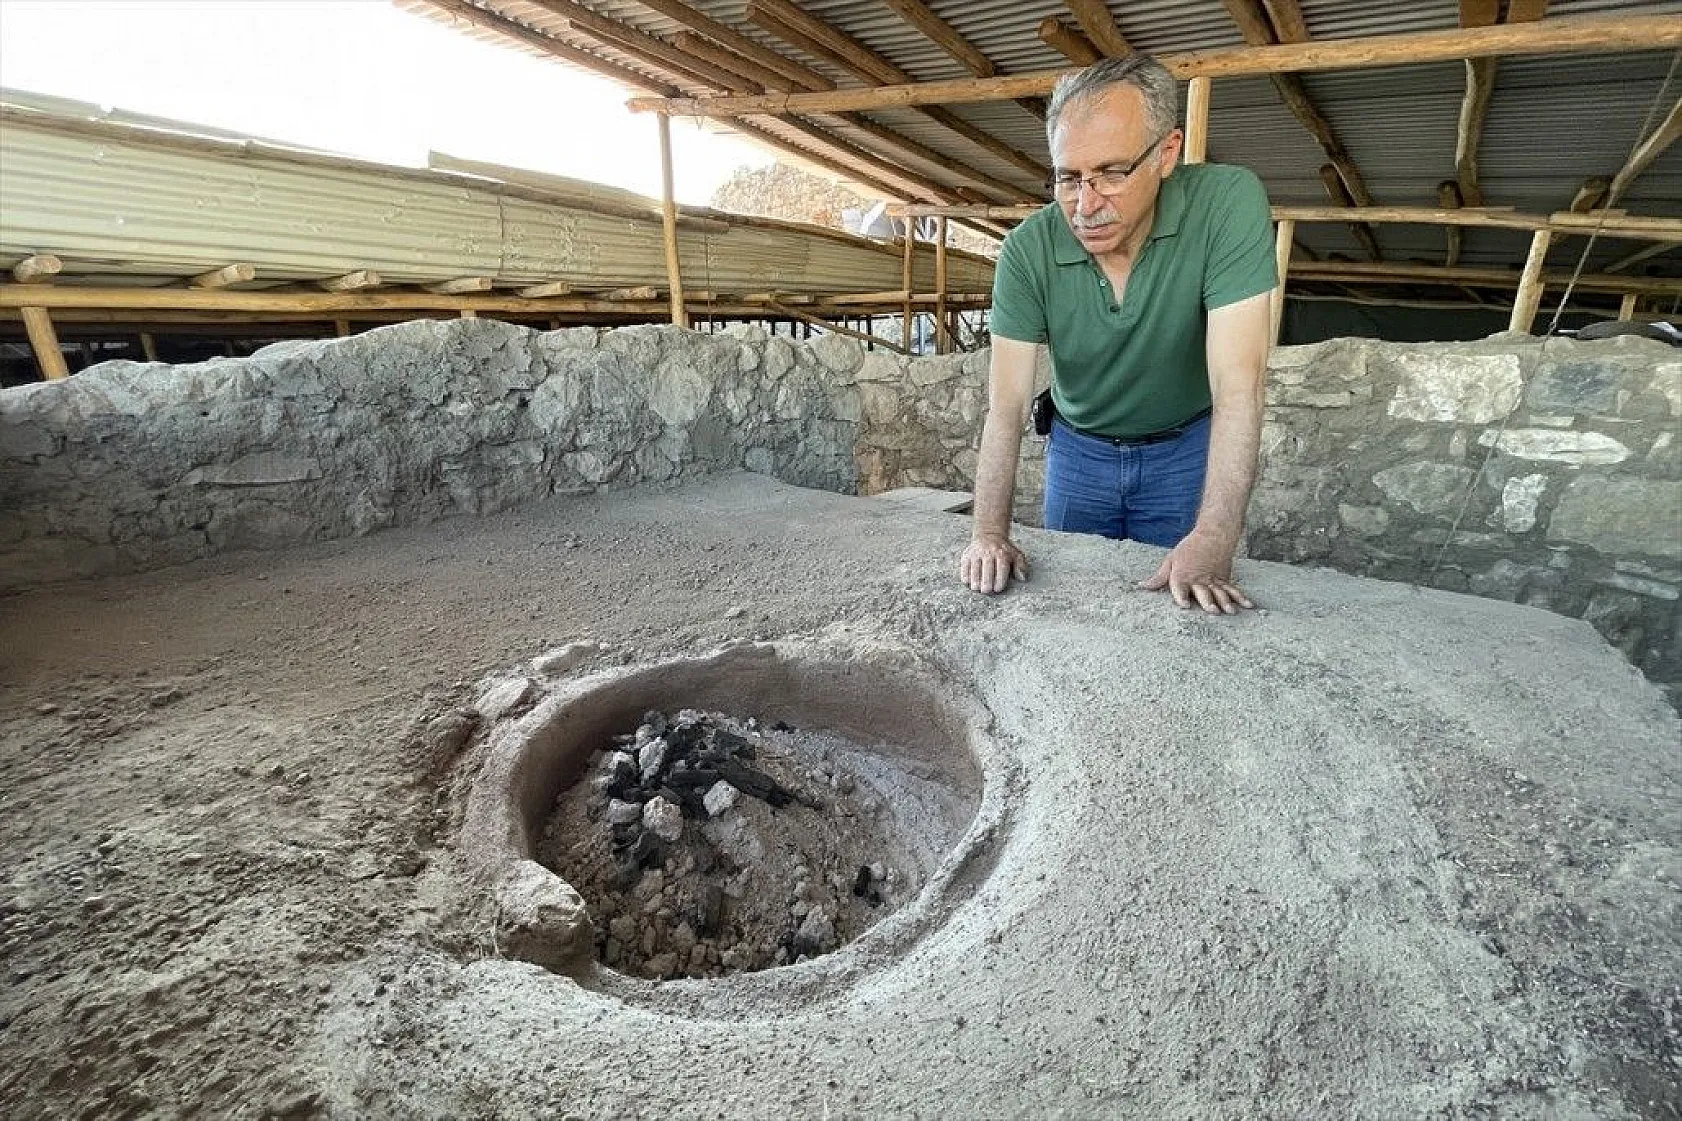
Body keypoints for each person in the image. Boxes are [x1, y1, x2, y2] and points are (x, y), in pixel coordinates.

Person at [957, 54, 1277, 615]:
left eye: (1111, 173)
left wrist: (1216, 536)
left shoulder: (1227, 204)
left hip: (1183, 449)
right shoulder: (1026, 252)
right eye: (1068, 178)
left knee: (1177, 610)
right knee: (1071, 611)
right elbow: (1006, 406)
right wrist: (988, 532)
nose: (1085, 205)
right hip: (1078, 453)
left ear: (1167, 154)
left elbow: (1238, 382)